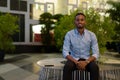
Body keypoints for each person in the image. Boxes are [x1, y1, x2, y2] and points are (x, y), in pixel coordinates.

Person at [62, 12, 99, 80]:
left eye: (82, 20)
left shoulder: (91, 35)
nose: (80, 21)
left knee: (94, 67)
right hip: (73, 60)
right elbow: (65, 52)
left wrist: (86, 62)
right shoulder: (69, 34)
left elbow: (96, 53)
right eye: (77, 20)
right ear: (75, 22)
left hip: (87, 60)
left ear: (85, 22)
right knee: (67, 67)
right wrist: (76, 62)